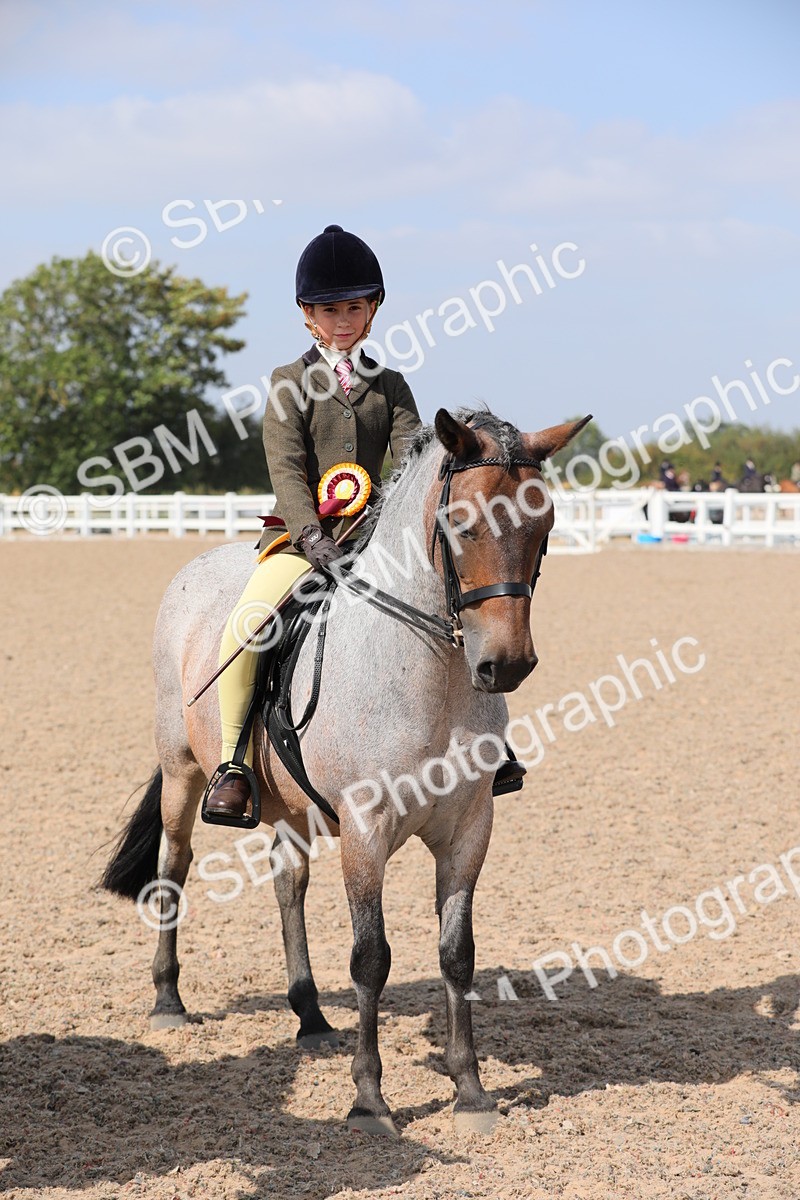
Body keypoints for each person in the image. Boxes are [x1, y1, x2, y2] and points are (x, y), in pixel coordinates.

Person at [204, 225, 525, 820]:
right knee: (248, 625)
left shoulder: (391, 386)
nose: (342, 319)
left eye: (354, 306)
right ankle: (233, 763)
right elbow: (287, 470)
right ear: (307, 315)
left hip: (378, 539)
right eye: (330, 309)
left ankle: (487, 743)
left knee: (452, 604)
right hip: (305, 539)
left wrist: (387, 523)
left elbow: (410, 465)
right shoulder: (288, 383)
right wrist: (311, 537)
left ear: (373, 310)